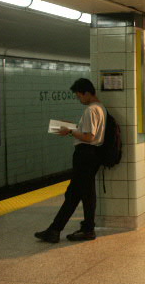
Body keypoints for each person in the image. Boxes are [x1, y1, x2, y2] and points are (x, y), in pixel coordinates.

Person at [34, 78, 105, 243]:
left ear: (86, 93)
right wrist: (74, 129)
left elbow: (89, 136)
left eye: (79, 95)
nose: (79, 99)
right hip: (93, 155)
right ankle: (85, 229)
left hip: (85, 155)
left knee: (74, 194)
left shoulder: (91, 110)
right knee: (85, 194)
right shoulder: (101, 108)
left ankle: (56, 230)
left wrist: (70, 132)